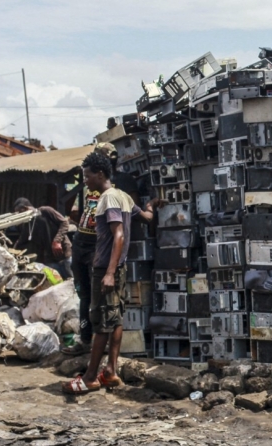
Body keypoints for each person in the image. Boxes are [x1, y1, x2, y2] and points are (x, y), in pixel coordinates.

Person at [62, 152, 156, 394]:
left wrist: (109, 273)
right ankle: (111, 372)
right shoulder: (123, 197)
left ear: (100, 174)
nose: (85, 181)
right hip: (118, 268)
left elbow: (119, 235)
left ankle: (90, 378)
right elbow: (144, 218)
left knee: (101, 322)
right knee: (115, 320)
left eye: (87, 175)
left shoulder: (108, 199)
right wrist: (151, 206)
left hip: (106, 267)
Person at [64, 142, 140, 356]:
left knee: (102, 304)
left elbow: (128, 220)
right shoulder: (89, 184)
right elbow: (77, 211)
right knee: (85, 296)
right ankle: (85, 341)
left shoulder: (118, 187)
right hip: (81, 243)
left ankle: (99, 353)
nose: (87, 178)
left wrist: (110, 270)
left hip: (99, 247)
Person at [13, 198, 73, 279]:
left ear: (26, 208)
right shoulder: (28, 223)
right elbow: (21, 241)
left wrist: (57, 241)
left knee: (72, 280)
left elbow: (64, 222)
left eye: (20, 212)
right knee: (56, 282)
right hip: (49, 258)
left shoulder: (45, 211)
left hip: (64, 253)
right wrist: (11, 254)